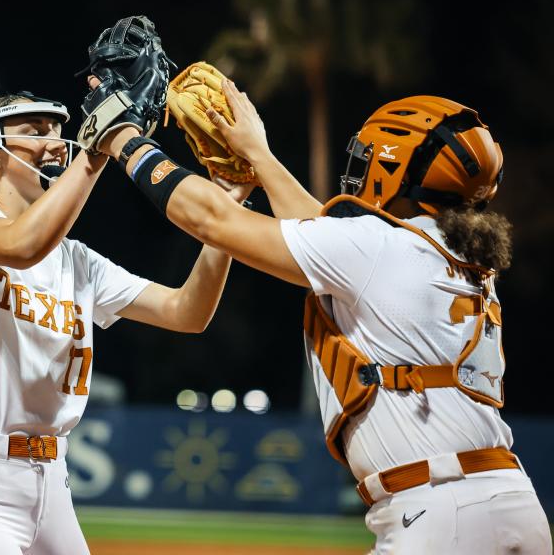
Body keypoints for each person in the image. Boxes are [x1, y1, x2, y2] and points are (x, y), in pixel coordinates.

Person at [88, 77, 552, 554]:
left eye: (371, 157)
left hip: (441, 513)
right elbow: (322, 233)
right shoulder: (447, 253)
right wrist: (260, 160)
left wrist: (121, 135)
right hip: (504, 503)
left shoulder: (381, 250)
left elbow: (210, 219)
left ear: (396, 168)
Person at [0, 91, 248, 554]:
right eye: (34, 133)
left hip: (53, 482)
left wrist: (228, 219)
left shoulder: (77, 262)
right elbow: (22, 244)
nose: (54, 143)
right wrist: (95, 155)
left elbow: (187, 312)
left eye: (56, 131)